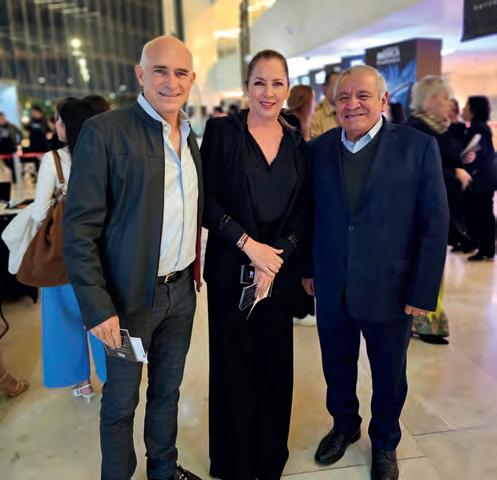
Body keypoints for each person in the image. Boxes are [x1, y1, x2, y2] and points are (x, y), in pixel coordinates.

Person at [63, 36, 202, 480]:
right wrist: (97, 307)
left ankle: (163, 469)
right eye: (160, 70)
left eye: (180, 72)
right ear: (140, 74)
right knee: (122, 402)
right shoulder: (105, 131)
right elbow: (79, 229)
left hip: (181, 293)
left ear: (192, 79)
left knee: (167, 392)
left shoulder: (189, 136)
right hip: (126, 302)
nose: (171, 82)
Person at [304, 65, 448, 480]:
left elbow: (434, 222)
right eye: (344, 97)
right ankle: (344, 425)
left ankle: (385, 441)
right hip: (333, 283)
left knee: (388, 374)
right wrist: (309, 270)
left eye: (363, 96)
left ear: (383, 100)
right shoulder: (319, 150)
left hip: (391, 286)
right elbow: (309, 215)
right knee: (336, 365)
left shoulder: (418, 147)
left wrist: (422, 291)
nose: (352, 104)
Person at [201, 49, 311, 480]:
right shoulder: (222, 132)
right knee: (233, 366)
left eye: (277, 83)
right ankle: (233, 461)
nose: (268, 92)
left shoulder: (298, 142)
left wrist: (275, 255)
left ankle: (268, 458)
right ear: (247, 86)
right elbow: (207, 201)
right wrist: (249, 246)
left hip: (277, 274)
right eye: (260, 82)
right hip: (232, 270)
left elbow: (304, 209)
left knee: (274, 365)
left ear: (287, 88)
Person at [31, 97, 106, 398]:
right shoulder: (103, 152)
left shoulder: (54, 160)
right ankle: (112, 376)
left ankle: (81, 383)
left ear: (68, 124)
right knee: (102, 312)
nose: (56, 125)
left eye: (59, 119)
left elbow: (39, 212)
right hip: (100, 250)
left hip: (63, 254)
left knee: (64, 317)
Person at [407, 76, 473, 343]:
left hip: (439, 208)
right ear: (430, 100)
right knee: (425, 265)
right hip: (422, 211)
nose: (449, 104)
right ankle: (425, 320)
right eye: (444, 98)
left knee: (433, 264)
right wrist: (453, 172)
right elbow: (417, 172)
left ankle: (430, 318)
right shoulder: (417, 130)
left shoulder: (438, 129)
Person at [462, 96, 496, 261]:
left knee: (482, 214)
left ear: (473, 110)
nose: (463, 109)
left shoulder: (478, 129)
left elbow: (468, 151)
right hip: (484, 178)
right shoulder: (480, 128)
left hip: (482, 179)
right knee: (482, 213)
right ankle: (481, 246)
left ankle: (486, 249)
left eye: (466, 106)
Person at [310, 70, 339, 138]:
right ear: (325, 88)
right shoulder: (314, 116)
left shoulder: (350, 111)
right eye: (337, 86)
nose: (341, 90)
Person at [0, 112, 23, 182]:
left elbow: (20, 133)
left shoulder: (11, 126)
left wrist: (18, 142)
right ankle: (15, 178)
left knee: (14, 163)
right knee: (8, 164)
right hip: (2, 149)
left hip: (12, 147)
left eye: (2, 117)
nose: (1, 119)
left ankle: (16, 179)